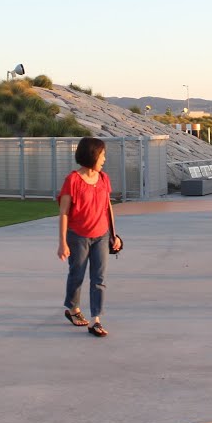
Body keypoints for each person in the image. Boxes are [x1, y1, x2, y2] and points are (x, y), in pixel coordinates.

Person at [57, 137, 121, 337]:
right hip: (78, 236)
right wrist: (62, 243)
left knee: (99, 278)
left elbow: (107, 207)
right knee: (77, 274)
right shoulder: (73, 180)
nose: (104, 158)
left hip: (101, 235)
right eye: (102, 154)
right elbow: (64, 212)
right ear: (92, 154)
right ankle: (73, 308)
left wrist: (114, 235)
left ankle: (96, 320)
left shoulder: (103, 178)